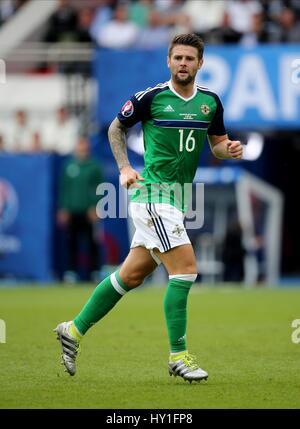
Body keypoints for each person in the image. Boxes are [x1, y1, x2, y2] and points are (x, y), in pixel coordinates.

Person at [54, 33, 243, 382]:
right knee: (185, 268)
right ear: (168, 61)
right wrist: (126, 167)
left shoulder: (210, 102)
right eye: (178, 58)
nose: (183, 63)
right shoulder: (152, 98)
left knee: (131, 275)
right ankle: (178, 356)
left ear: (200, 64)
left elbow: (215, 146)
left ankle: (74, 330)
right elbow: (115, 128)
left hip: (177, 199)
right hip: (154, 195)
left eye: (190, 58)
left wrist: (227, 149)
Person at [57, 137, 102, 283]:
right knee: (72, 243)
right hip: (72, 211)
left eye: (84, 148)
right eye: (80, 148)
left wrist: (96, 207)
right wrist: (63, 208)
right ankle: (71, 272)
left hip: (88, 211)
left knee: (92, 243)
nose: (82, 151)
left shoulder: (94, 166)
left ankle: (94, 272)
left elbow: (100, 189)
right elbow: (64, 188)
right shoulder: (69, 166)